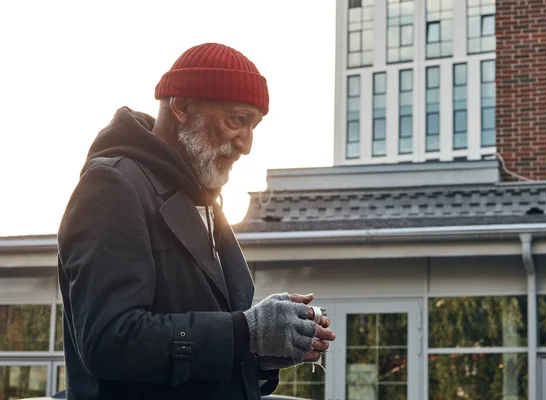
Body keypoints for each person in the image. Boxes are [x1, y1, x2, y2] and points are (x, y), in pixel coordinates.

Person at [57, 42, 336, 400]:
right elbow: (110, 340)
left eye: (254, 125)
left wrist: (267, 345)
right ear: (182, 108)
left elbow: (209, 352)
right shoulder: (112, 186)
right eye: (238, 120)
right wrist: (245, 332)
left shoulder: (202, 200)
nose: (247, 144)